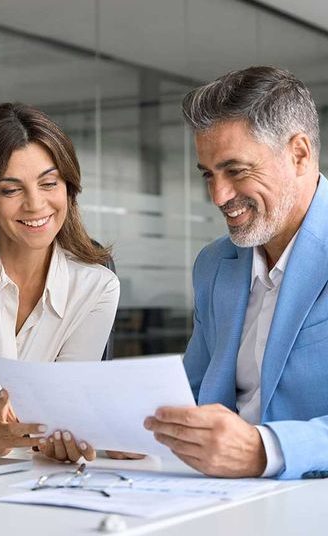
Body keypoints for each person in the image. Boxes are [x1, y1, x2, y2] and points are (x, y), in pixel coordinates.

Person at [144, 66, 328, 479]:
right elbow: (190, 394)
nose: (219, 195)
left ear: (298, 154)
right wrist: (134, 434)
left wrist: (266, 450)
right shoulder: (214, 265)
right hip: (217, 495)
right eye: (209, 174)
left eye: (236, 170)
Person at [0, 102, 120, 463]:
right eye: (11, 190)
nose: (36, 204)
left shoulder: (96, 287)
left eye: (49, 183)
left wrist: (78, 434)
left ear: (68, 187)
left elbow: (63, 410)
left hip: (31, 478)